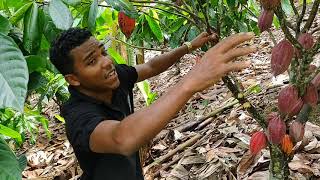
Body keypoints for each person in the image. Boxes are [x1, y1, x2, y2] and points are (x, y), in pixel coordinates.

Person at [49, 28, 256, 180]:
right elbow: (121, 138)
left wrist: (188, 46)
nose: (107, 62)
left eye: (103, 52)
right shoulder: (78, 117)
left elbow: (150, 66)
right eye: (92, 61)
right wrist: (191, 81)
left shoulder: (115, 78)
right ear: (73, 79)